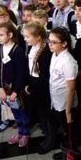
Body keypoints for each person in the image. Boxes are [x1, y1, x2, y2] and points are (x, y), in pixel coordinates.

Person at [48, 27, 80, 160]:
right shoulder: (55, 54)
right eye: (49, 41)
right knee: (65, 132)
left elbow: (71, 88)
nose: (50, 45)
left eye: (54, 42)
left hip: (66, 104)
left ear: (65, 43)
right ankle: (64, 152)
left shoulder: (68, 61)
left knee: (70, 134)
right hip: (57, 100)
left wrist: (68, 111)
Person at [22, 21, 55, 153]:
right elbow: (31, 69)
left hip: (43, 88)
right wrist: (29, 84)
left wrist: (35, 86)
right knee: (41, 113)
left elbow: (45, 75)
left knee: (48, 115)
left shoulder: (46, 52)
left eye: (27, 36)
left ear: (38, 37)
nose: (25, 39)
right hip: (34, 85)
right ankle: (47, 137)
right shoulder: (32, 47)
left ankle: (51, 140)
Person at [0, 22, 27, 137]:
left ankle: (25, 133)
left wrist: (15, 91)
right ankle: (20, 131)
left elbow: (21, 73)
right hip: (5, 88)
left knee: (22, 111)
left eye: (1, 35)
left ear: (10, 35)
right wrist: (0, 88)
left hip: (16, 89)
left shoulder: (18, 51)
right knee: (14, 111)